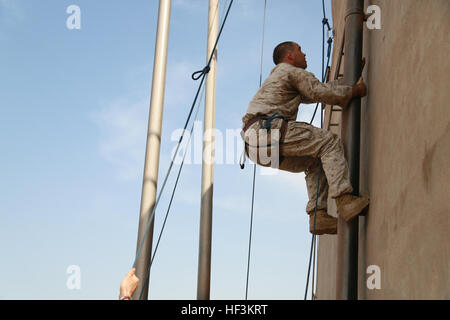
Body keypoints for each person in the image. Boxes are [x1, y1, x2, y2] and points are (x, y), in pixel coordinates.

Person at [241, 41, 369, 235]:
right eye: (300, 50)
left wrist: (346, 82)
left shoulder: (279, 78)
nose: (305, 54)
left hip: (255, 146)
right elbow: (319, 92)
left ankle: (318, 216)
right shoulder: (289, 71)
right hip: (267, 130)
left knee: (313, 161)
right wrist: (354, 91)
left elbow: (318, 89)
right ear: (290, 56)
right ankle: (345, 200)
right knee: (329, 142)